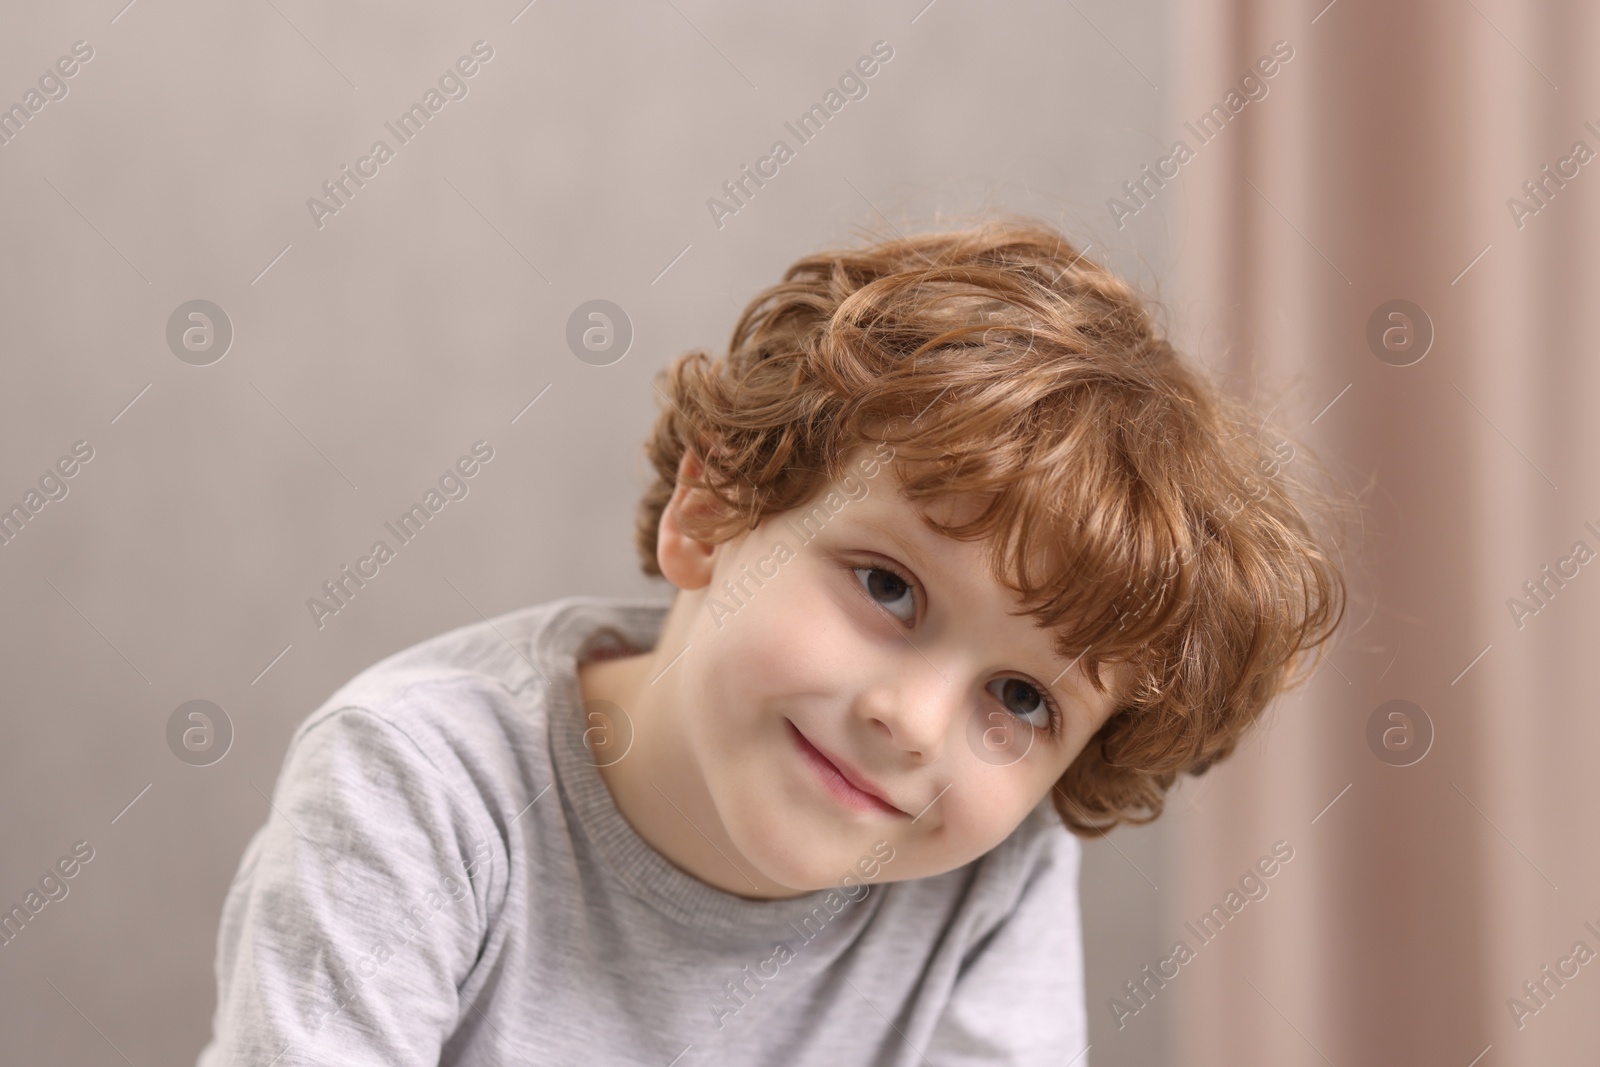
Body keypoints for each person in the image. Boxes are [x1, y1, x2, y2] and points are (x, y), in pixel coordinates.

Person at [195, 216, 1348, 1066]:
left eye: (1024, 698)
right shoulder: (423, 781)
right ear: (713, 513)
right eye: (890, 588)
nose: (911, 719)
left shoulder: (992, 875)